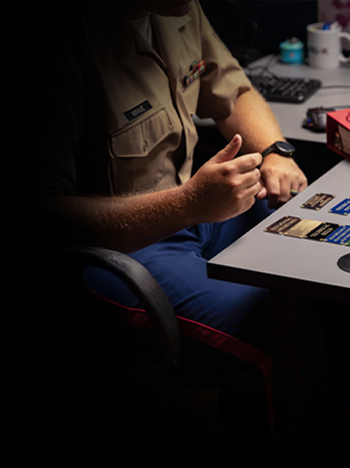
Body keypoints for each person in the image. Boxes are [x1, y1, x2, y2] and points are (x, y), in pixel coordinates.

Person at [28, 0, 308, 446]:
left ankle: (342, 416)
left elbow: (233, 91)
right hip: (123, 244)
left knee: (322, 264)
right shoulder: (64, 42)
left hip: (195, 206)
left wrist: (276, 150)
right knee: (276, 323)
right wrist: (189, 204)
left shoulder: (178, 8)